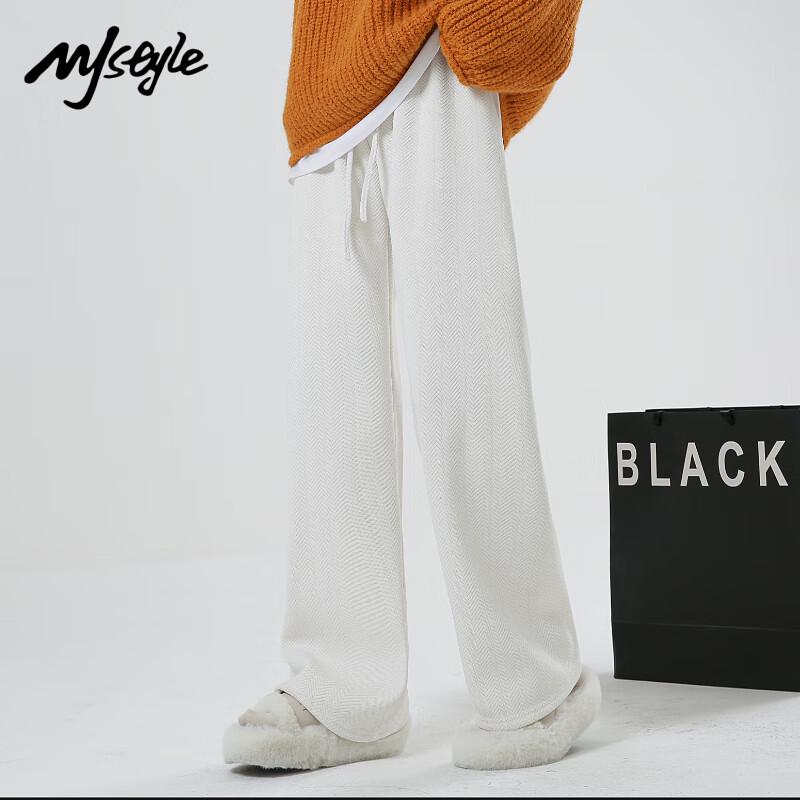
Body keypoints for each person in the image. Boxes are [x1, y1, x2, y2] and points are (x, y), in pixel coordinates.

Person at [223, 0, 600, 772]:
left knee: (467, 379)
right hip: (326, 70)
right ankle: (344, 692)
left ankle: (533, 679)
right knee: (331, 407)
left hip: (437, 47)